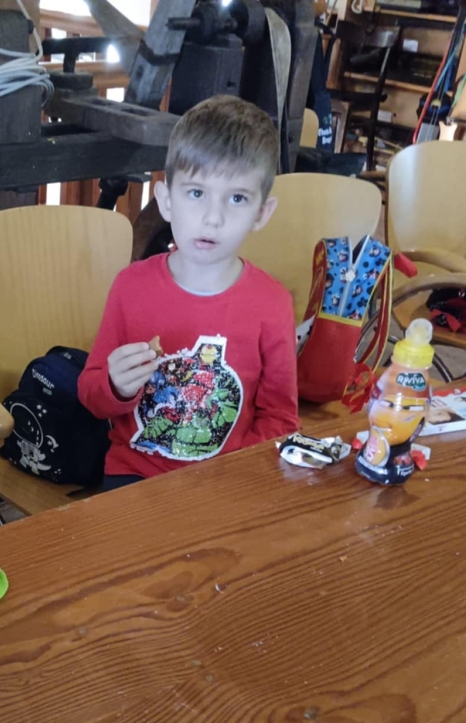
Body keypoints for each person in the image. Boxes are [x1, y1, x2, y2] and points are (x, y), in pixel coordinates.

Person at [78, 95, 300, 491]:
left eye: (237, 198)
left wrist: (234, 477)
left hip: (225, 483)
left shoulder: (273, 304)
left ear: (261, 213)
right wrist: (116, 386)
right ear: (165, 201)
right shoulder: (130, 286)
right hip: (134, 474)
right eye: (196, 193)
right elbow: (92, 396)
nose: (213, 218)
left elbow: (280, 419)